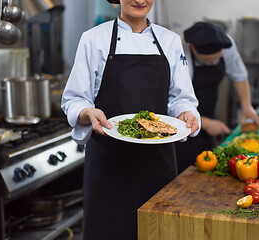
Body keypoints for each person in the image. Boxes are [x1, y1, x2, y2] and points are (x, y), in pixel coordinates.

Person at [61, 0, 201, 239]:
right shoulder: (93, 39)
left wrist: (185, 113)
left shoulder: (170, 40)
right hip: (109, 166)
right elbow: (74, 100)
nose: (140, 0)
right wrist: (88, 113)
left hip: (157, 166)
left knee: (156, 232)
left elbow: (181, 98)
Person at [175, 22, 259, 174]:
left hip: (209, 110)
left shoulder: (226, 44)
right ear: (193, 48)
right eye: (209, 61)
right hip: (182, 121)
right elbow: (177, 98)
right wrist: (205, 123)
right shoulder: (180, 50)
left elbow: (239, 75)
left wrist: (247, 107)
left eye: (217, 59)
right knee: (185, 169)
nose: (214, 63)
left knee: (207, 164)